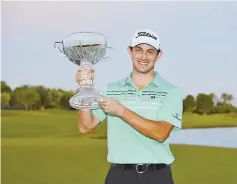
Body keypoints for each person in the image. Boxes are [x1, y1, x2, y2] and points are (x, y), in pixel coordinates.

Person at [76, 29, 183, 184]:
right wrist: (85, 88)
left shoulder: (171, 91)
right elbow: (85, 126)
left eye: (150, 51)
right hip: (119, 176)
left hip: (157, 176)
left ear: (158, 55)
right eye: (138, 50)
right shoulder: (111, 89)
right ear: (130, 51)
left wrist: (120, 110)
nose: (144, 57)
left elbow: (160, 133)